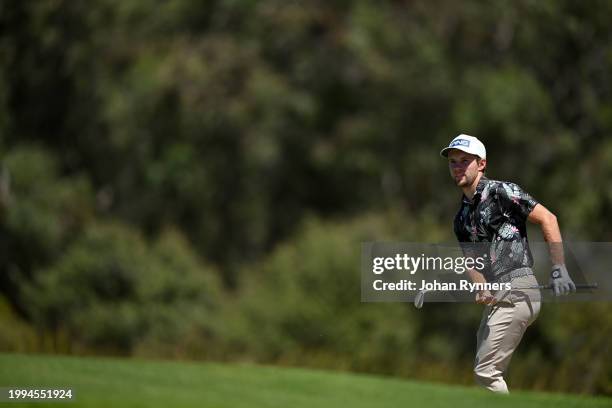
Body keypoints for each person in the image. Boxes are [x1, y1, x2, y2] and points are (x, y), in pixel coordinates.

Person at [440, 134, 576, 394]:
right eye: (453, 162)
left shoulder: (502, 191)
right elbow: (472, 260)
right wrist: (481, 287)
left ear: (481, 164)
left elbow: (549, 219)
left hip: (519, 289)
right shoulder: (461, 216)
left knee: (486, 372)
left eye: (464, 161)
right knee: (482, 372)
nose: (457, 167)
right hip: (497, 296)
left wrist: (559, 268)